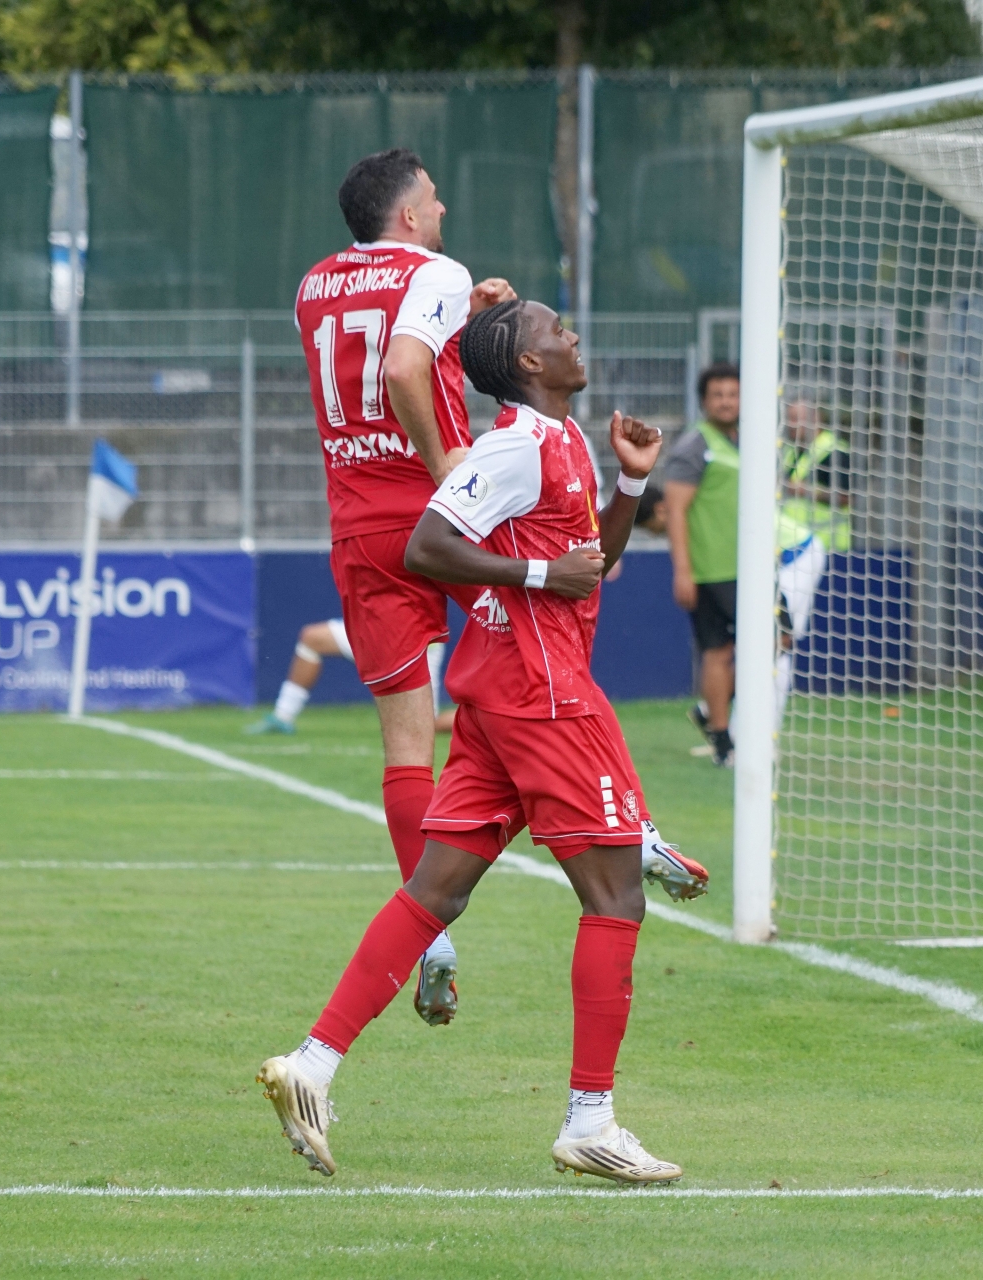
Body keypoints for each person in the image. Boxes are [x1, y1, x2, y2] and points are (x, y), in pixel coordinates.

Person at [257, 298, 705, 1184]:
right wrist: (536, 570)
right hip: (542, 696)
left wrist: (629, 486)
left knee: (436, 891)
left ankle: (312, 1063)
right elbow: (427, 546)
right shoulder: (515, 446)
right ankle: (590, 1120)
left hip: (505, 693)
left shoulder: (564, 440)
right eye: (554, 330)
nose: (571, 334)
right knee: (616, 898)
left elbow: (589, 569)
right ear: (528, 364)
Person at [294, 147, 514, 1026]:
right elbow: (400, 368)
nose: (444, 207)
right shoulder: (437, 271)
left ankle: (432, 938)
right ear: (409, 215)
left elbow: (379, 347)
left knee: (405, 751)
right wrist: (444, 466)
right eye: (434, 198)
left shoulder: (314, 284)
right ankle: (624, 827)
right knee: (548, 653)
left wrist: (463, 319)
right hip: (443, 516)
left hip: (358, 525)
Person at [663, 363, 740, 766]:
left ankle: (712, 707)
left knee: (777, 640)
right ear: (705, 401)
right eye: (718, 395)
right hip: (711, 568)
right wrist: (683, 570)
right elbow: (675, 510)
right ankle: (722, 740)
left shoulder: (750, 439)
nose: (727, 402)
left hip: (749, 567)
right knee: (717, 650)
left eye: (733, 394)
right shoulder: (695, 447)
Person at [246, 620, 455, 736]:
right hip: (376, 629)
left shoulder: (419, 557)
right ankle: (282, 717)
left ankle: (474, 718)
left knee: (423, 728)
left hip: (413, 641)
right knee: (313, 639)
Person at [774, 399, 850, 711]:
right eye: (789, 419)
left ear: (815, 419)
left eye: (798, 419)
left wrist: (802, 491)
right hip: (787, 549)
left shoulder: (833, 451)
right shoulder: (791, 452)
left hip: (822, 547)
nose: (792, 425)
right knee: (780, 631)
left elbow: (845, 497)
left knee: (784, 632)